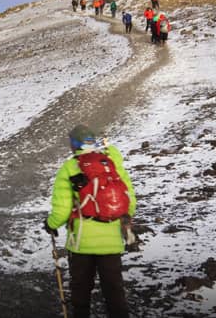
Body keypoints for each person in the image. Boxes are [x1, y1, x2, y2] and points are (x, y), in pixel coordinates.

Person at [45, 125, 137, 317]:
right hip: (111, 239)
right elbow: (130, 199)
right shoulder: (111, 164)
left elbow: (62, 210)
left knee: (81, 289)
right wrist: (121, 220)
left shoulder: (70, 167)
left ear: (74, 144)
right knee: (114, 290)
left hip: (81, 241)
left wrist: (51, 224)